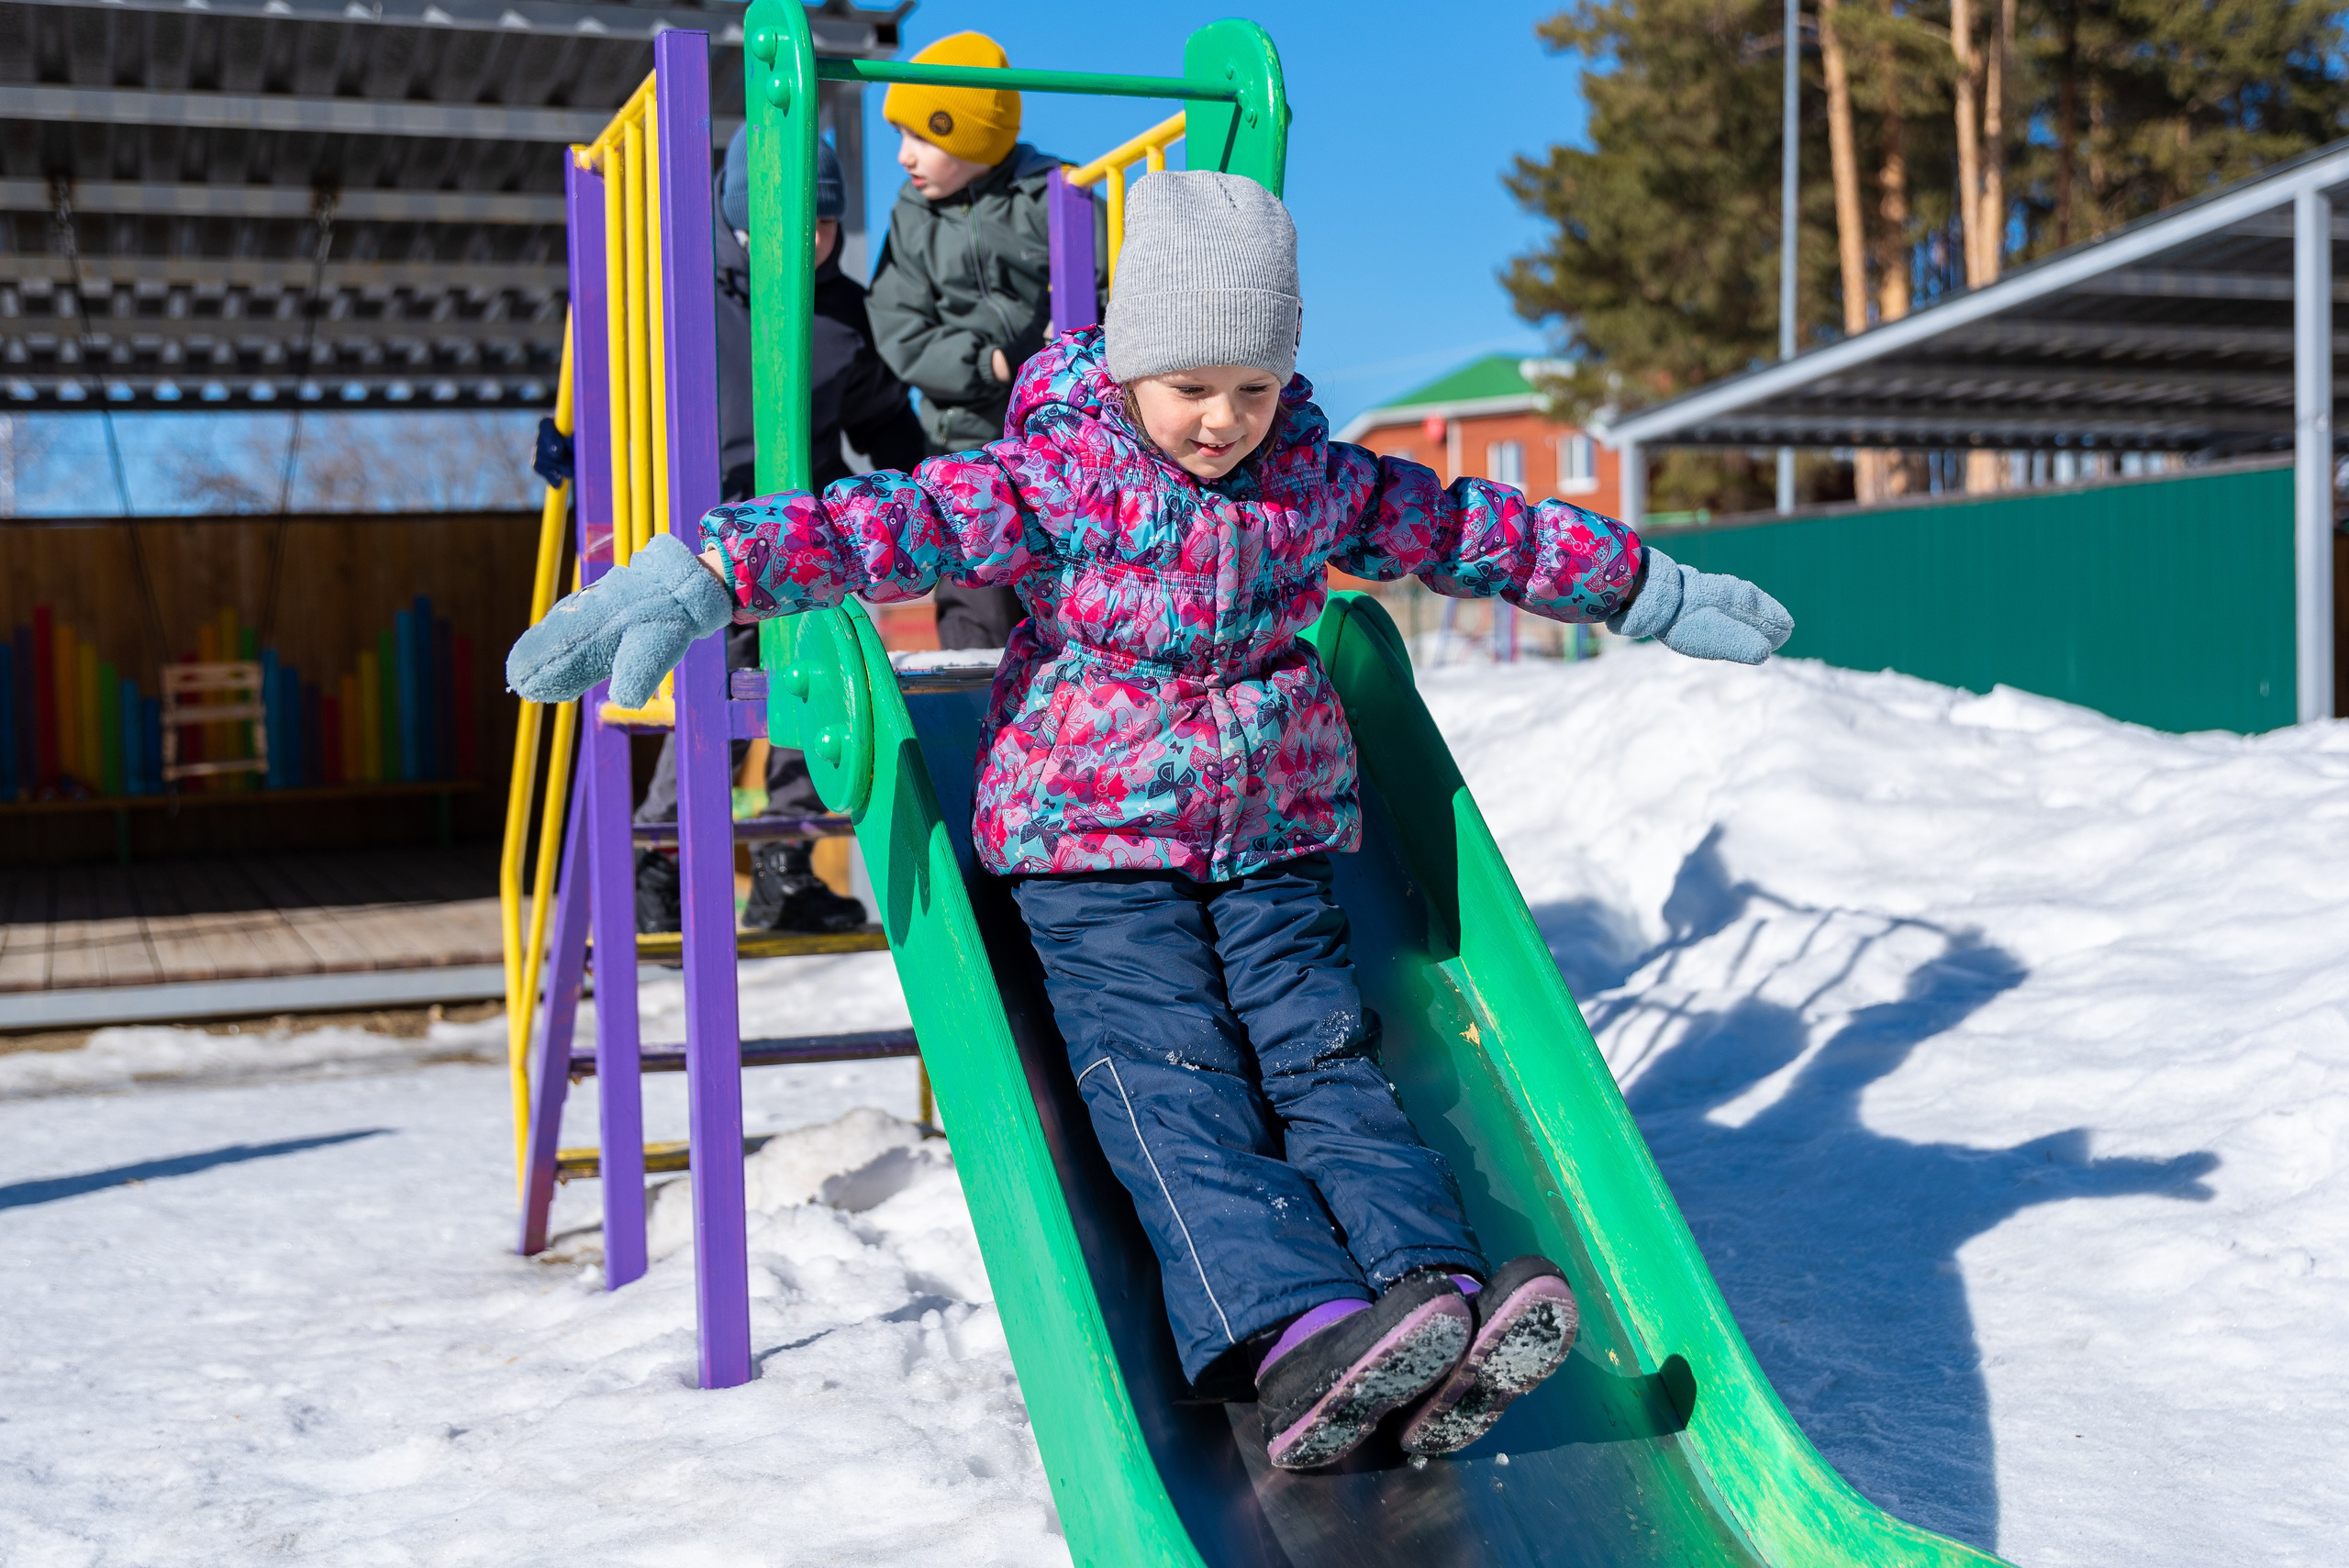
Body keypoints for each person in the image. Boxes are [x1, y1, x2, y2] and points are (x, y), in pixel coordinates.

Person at [507, 172, 1793, 1468]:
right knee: (1172, 1072)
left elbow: (1471, 527)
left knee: (1325, 1056)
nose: (1224, 421)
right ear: (1127, 367)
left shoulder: (1315, 477)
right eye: (1192, 389)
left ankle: (1433, 1297)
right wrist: (711, 568)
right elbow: (897, 520)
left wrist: (1643, 584)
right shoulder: (1062, 469)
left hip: (1274, 830)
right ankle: (1291, 1331)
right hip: (1092, 841)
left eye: (1255, 387)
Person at [535, 133, 921, 933]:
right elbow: (621, 383)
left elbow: (882, 414)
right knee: (709, 691)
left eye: (823, 224)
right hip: (701, 546)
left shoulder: (842, 313)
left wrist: (920, 480)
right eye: (790, 224)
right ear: (738, 220)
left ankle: (785, 867)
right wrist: (577, 444)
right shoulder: (683, 297)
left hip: (801, 543)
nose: (810, 242)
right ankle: (659, 862)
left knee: (812, 686)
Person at [865, 29, 1098, 652]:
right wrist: (991, 361)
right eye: (900, 138)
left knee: (1070, 586)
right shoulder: (911, 219)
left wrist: (1070, 339)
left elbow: (1112, 275)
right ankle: (974, 715)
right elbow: (898, 324)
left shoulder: (1053, 194)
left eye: (921, 137)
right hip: (967, 436)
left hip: (1060, 438)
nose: (904, 157)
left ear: (968, 135)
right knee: (976, 593)